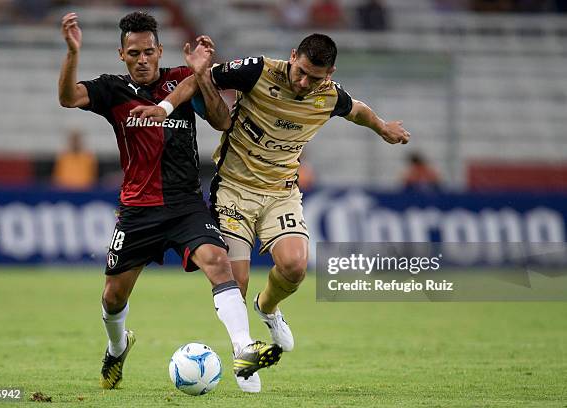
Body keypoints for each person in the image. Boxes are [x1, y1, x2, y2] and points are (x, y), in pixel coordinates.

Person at [133, 33, 410, 391]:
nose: (304, 82)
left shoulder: (329, 96)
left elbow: (357, 110)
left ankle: (267, 308)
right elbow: (195, 80)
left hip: (281, 193)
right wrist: (165, 108)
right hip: (233, 189)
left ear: (331, 73)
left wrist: (383, 127)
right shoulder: (257, 70)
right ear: (292, 56)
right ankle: (245, 357)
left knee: (295, 266)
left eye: (315, 77)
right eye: (301, 72)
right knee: (237, 280)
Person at [58, 11, 281, 393]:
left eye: (148, 51)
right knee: (113, 297)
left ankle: (244, 349)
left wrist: (202, 75)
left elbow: (222, 120)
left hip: (185, 204)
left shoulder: (182, 79)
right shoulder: (112, 90)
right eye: (133, 53)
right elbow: (67, 98)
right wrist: (72, 52)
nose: (142, 59)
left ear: (160, 51)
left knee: (218, 261)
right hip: (137, 211)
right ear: (121, 55)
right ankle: (117, 346)